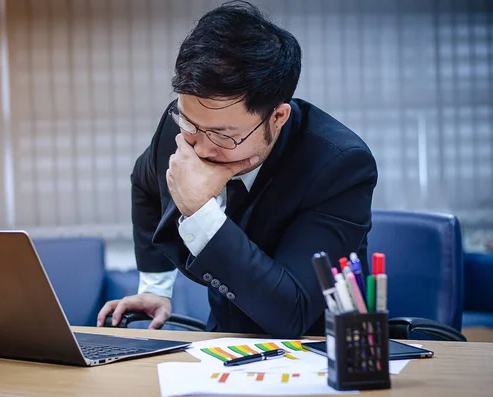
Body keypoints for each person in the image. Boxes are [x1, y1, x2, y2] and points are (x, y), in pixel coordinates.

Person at [97, 1, 377, 338]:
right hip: (222, 343)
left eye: (222, 135)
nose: (199, 146)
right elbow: (143, 184)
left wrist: (200, 211)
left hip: (318, 351)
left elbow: (294, 312)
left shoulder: (339, 166)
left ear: (277, 117)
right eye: (189, 122)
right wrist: (155, 287)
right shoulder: (183, 128)